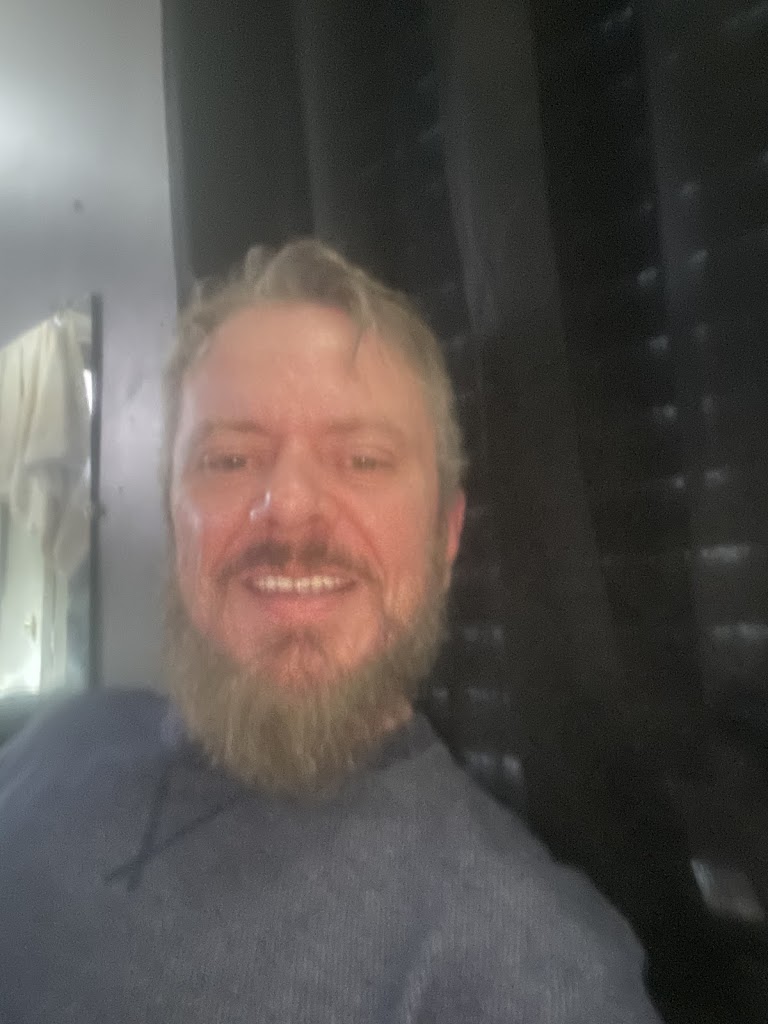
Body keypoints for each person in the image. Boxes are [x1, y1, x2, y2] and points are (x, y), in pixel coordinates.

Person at [0, 240, 664, 1023]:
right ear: (176, 523)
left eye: (363, 459)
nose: (288, 507)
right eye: (230, 459)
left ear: (445, 536)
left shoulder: (534, 966)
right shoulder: (59, 741)